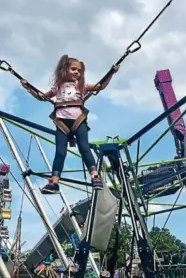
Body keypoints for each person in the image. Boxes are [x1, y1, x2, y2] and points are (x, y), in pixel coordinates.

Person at [21, 54, 119, 194]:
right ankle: (54, 182)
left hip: (78, 120)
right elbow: (41, 97)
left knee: (84, 148)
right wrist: (28, 87)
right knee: (60, 152)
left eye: (79, 71)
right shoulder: (58, 87)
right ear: (64, 69)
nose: (77, 73)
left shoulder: (81, 85)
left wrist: (111, 73)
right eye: (73, 69)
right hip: (61, 121)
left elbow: (99, 86)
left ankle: (95, 176)